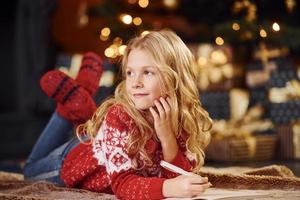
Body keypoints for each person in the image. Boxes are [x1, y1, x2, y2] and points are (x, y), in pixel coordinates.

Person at [23, 29, 213, 199]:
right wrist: (168, 188)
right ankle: (69, 110)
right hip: (69, 162)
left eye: (147, 72)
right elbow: (122, 184)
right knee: (29, 171)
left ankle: (83, 110)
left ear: (175, 78)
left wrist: (167, 137)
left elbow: (181, 177)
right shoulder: (120, 116)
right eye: (130, 73)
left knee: (98, 133)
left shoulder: (180, 118)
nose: (135, 82)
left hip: (100, 141)